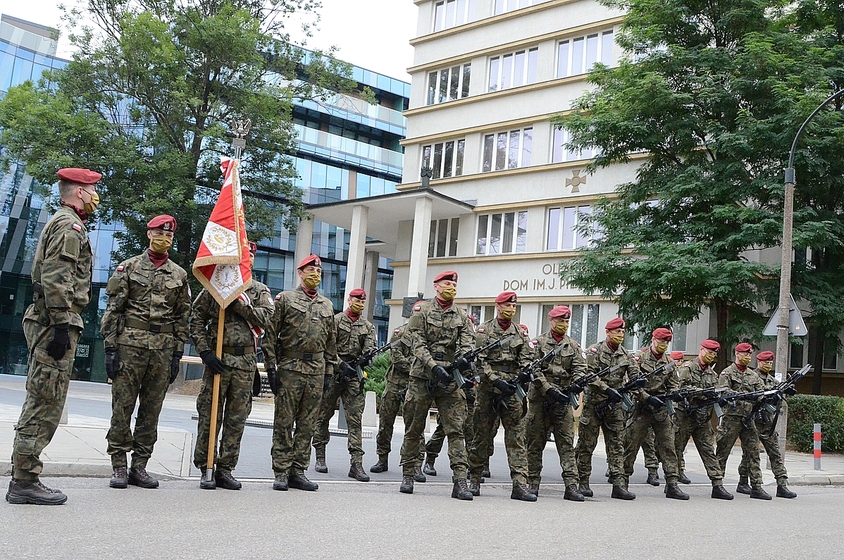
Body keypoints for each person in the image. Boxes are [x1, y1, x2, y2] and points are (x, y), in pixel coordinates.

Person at [6, 168, 99, 505]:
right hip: (53, 323)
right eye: (92, 189)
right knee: (44, 402)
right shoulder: (68, 226)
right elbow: (56, 276)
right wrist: (61, 324)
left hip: (53, 320)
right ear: (79, 192)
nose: (95, 196)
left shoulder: (65, 223)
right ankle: (24, 480)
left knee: (46, 400)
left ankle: (25, 477)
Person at [101, 215, 191, 489]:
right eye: (160, 234)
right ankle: (119, 465)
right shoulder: (128, 267)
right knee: (122, 407)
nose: (165, 239)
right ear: (149, 234)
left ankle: (139, 465)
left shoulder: (179, 275)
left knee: (151, 411)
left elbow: (181, 316)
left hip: (162, 350)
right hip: (130, 346)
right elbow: (114, 310)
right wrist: (110, 346)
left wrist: (177, 354)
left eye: (169, 236)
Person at [191, 242, 273, 490]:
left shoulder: (258, 291)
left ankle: (226, 469)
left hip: (245, 363)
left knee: (236, 419)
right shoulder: (216, 287)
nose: (246, 259)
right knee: (210, 415)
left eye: (250, 256)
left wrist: (239, 303)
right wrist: (204, 351)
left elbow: (266, 319)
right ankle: (207, 466)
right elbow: (196, 317)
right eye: (242, 255)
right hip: (218, 359)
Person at [398, 270, 475, 500]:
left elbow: (468, 344)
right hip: (423, 377)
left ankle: (460, 481)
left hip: (449, 379)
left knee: (456, 430)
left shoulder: (462, 316)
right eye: (447, 283)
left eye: (454, 284)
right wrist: (433, 366)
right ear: (436, 286)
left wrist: (462, 360)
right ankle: (408, 474)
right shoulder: (422, 311)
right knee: (414, 428)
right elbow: (417, 342)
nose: (451, 286)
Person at [269, 254, 337, 492]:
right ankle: (281, 471)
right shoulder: (285, 299)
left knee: (308, 424)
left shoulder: (327, 305)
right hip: (291, 367)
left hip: (316, 370)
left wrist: (329, 372)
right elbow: (270, 335)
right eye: (310, 270)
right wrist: (271, 368)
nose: (315, 275)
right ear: (300, 273)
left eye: (318, 271)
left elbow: (331, 342)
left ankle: (298, 470)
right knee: (284, 421)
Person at [467, 292, 535, 501]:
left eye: (513, 306)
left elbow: (527, 359)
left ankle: (519, 484)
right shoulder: (484, 331)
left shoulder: (520, 333)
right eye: (507, 306)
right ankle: (474, 478)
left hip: (512, 391)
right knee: (481, 435)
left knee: (517, 437)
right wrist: (495, 380)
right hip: (488, 390)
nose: (511, 309)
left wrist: (522, 376)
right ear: (498, 306)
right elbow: (479, 360)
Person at [524, 305, 587, 501]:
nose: (564, 324)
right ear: (551, 321)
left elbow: (580, 368)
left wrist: (576, 383)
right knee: (535, 443)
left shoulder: (573, 346)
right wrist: (548, 389)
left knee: (566, 444)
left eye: (567, 321)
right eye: (560, 320)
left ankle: (571, 486)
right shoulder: (538, 343)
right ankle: (532, 483)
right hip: (541, 400)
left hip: (563, 402)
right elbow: (533, 369)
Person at [313, 288, 376, 482]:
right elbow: (328, 346)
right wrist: (341, 364)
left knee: (355, 420)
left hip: (353, 377)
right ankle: (320, 456)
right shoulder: (336, 321)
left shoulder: (368, 327)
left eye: (362, 301)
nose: (360, 303)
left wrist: (366, 359)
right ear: (349, 300)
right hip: (333, 373)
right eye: (357, 300)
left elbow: (371, 349)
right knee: (323, 415)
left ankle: (356, 463)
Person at [575, 318, 639, 500]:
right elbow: (588, 375)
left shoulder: (626, 355)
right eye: (617, 331)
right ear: (608, 332)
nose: (620, 335)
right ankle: (583, 482)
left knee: (617, 445)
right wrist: (606, 389)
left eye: (622, 332)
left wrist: (637, 382)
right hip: (594, 405)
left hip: (615, 407)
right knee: (586, 444)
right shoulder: (594, 351)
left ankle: (618, 484)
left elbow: (634, 375)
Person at [622, 328, 688, 500]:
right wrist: (647, 398)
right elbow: (632, 384)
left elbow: (673, 384)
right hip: (641, 408)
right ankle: (622, 482)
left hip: (661, 410)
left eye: (666, 342)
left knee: (668, 446)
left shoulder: (670, 363)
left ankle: (672, 484)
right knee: (631, 445)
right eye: (661, 341)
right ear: (653, 340)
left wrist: (674, 394)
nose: (664, 345)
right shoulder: (639, 359)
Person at [673, 339, 734, 499]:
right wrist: (702, 392)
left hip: (701, 417)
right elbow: (680, 388)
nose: (711, 356)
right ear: (701, 350)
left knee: (708, 450)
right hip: (684, 415)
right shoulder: (687, 368)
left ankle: (717, 485)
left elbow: (717, 390)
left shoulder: (712, 374)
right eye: (709, 352)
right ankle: (671, 484)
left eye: (714, 354)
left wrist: (719, 397)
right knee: (676, 450)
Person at [736, 351, 796, 498]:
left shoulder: (772, 381)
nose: (768, 365)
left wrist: (780, 394)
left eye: (770, 363)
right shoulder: (751, 377)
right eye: (765, 362)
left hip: (768, 423)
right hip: (753, 421)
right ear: (759, 362)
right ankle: (743, 482)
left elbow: (777, 401)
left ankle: (782, 484)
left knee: (775, 453)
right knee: (750, 454)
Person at [371, 323, 426, 483]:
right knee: (385, 423)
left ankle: (416, 464)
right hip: (395, 384)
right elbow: (396, 357)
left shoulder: (429, 334)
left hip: (415, 386)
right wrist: (416, 366)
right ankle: (382, 458)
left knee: (416, 426)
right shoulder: (400, 332)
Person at [715, 342, 769, 499]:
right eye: (745, 354)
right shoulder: (727, 373)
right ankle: (717, 484)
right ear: (737, 354)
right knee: (723, 451)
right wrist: (741, 395)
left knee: (753, 451)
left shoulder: (753, 375)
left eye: (749, 354)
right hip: (731, 418)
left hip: (748, 418)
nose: (748, 357)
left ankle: (756, 486)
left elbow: (761, 391)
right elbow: (723, 391)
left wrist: (767, 396)